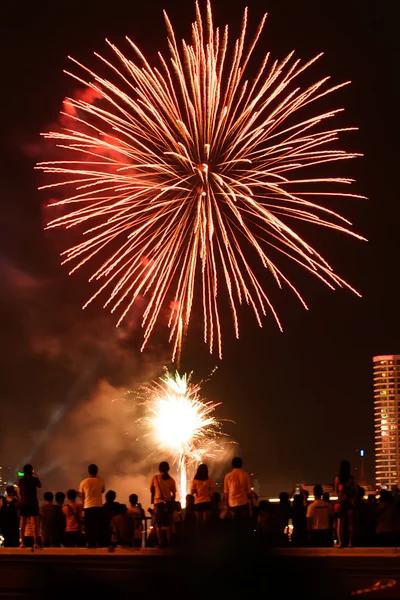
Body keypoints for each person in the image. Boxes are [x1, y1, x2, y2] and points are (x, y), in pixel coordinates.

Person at [150, 461, 177, 547]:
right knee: (168, 524)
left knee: (158, 525)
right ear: (168, 469)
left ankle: (161, 543)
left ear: (159, 469)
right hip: (168, 504)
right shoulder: (171, 480)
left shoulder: (155, 478)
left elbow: (151, 490)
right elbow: (174, 494)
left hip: (158, 503)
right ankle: (169, 543)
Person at [79, 463, 105, 548]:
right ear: (97, 471)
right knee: (98, 525)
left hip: (88, 506)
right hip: (98, 505)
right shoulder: (101, 481)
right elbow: (102, 490)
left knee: (89, 525)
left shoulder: (83, 482)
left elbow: (81, 495)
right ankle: (98, 542)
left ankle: (90, 542)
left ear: (88, 471)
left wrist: (83, 504)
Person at [334, 460, 358, 547]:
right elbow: (355, 490)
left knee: (340, 524)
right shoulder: (352, 479)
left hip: (340, 503)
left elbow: (336, 492)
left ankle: (340, 543)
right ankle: (350, 542)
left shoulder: (338, 478)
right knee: (350, 524)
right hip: (350, 502)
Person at [223, 457, 252, 525]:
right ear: (241, 465)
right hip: (243, 502)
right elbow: (248, 491)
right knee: (244, 523)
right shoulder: (245, 475)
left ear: (232, 465)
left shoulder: (228, 476)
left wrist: (225, 504)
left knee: (234, 523)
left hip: (232, 502)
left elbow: (226, 492)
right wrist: (252, 504)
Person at [18, 464, 41, 548]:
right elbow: (40, 485)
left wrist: (22, 500)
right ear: (31, 470)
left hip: (24, 503)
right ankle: (35, 543)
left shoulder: (21, 480)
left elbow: (20, 493)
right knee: (35, 525)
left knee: (22, 524)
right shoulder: (34, 479)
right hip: (33, 503)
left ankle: (22, 543)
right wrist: (36, 475)